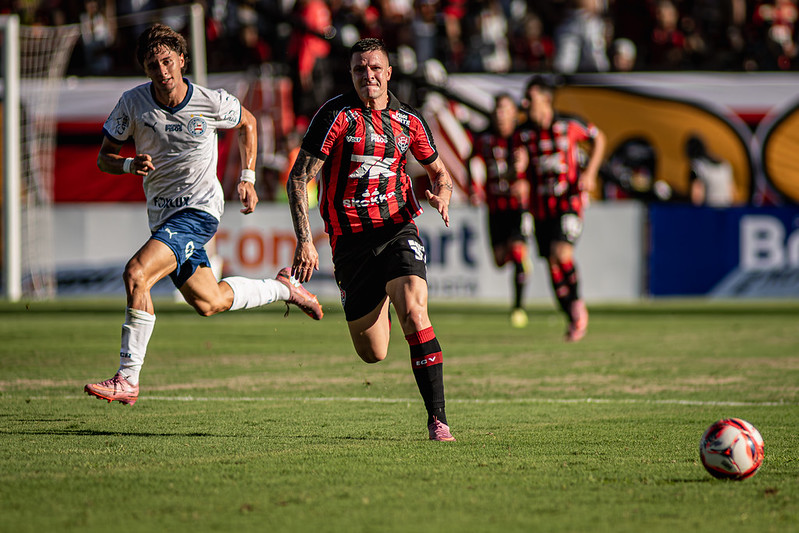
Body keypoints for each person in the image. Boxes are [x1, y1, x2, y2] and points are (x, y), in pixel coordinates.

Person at [84, 23, 323, 406]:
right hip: (163, 218)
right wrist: (129, 166)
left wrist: (247, 178)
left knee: (136, 273)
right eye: (153, 64)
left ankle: (127, 378)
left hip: (199, 211)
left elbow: (248, 122)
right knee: (209, 302)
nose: (162, 71)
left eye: (167, 61)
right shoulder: (132, 103)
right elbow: (104, 158)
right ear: (145, 69)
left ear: (182, 60)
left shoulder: (210, 101)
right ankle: (283, 287)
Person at [286, 38, 456, 441]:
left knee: (415, 312)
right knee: (373, 353)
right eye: (360, 69)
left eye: (376, 68)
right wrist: (305, 241)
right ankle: (383, 296)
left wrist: (442, 194)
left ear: (389, 72)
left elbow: (440, 172)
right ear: (351, 75)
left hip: (398, 228)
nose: (369, 76)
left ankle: (438, 420)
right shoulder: (336, 115)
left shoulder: (410, 121)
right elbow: (299, 177)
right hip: (350, 245)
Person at [514, 74, 606, 342]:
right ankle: (571, 315)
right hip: (540, 209)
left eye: (530, 98)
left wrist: (590, 173)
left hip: (569, 202)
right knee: (552, 264)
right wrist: (517, 173)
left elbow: (600, 138)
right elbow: (517, 169)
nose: (525, 103)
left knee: (561, 252)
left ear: (545, 99)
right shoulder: (524, 134)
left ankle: (577, 305)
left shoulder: (569, 124)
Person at [467, 92, 531, 328]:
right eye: (497, 109)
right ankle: (520, 260)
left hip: (519, 207)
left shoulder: (523, 137)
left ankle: (518, 307)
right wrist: (474, 187)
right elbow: (471, 160)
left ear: (514, 113)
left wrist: (527, 183)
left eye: (505, 109)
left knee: (517, 252)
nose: (500, 114)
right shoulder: (484, 138)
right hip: (495, 208)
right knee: (500, 260)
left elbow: (537, 166)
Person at [686, 134, 734, 207]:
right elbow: (732, 192)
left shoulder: (697, 167)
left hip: (708, 212)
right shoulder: (725, 165)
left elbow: (696, 196)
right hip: (726, 211)